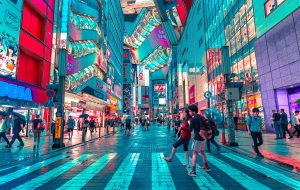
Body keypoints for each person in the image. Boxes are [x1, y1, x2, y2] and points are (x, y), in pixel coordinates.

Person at [188, 104, 212, 176]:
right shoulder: (201, 117)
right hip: (203, 137)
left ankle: (193, 171)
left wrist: (189, 123)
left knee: (195, 153)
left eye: (190, 111)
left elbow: (190, 130)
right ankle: (206, 166)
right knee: (202, 151)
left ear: (193, 111)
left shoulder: (193, 119)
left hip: (198, 138)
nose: (189, 112)